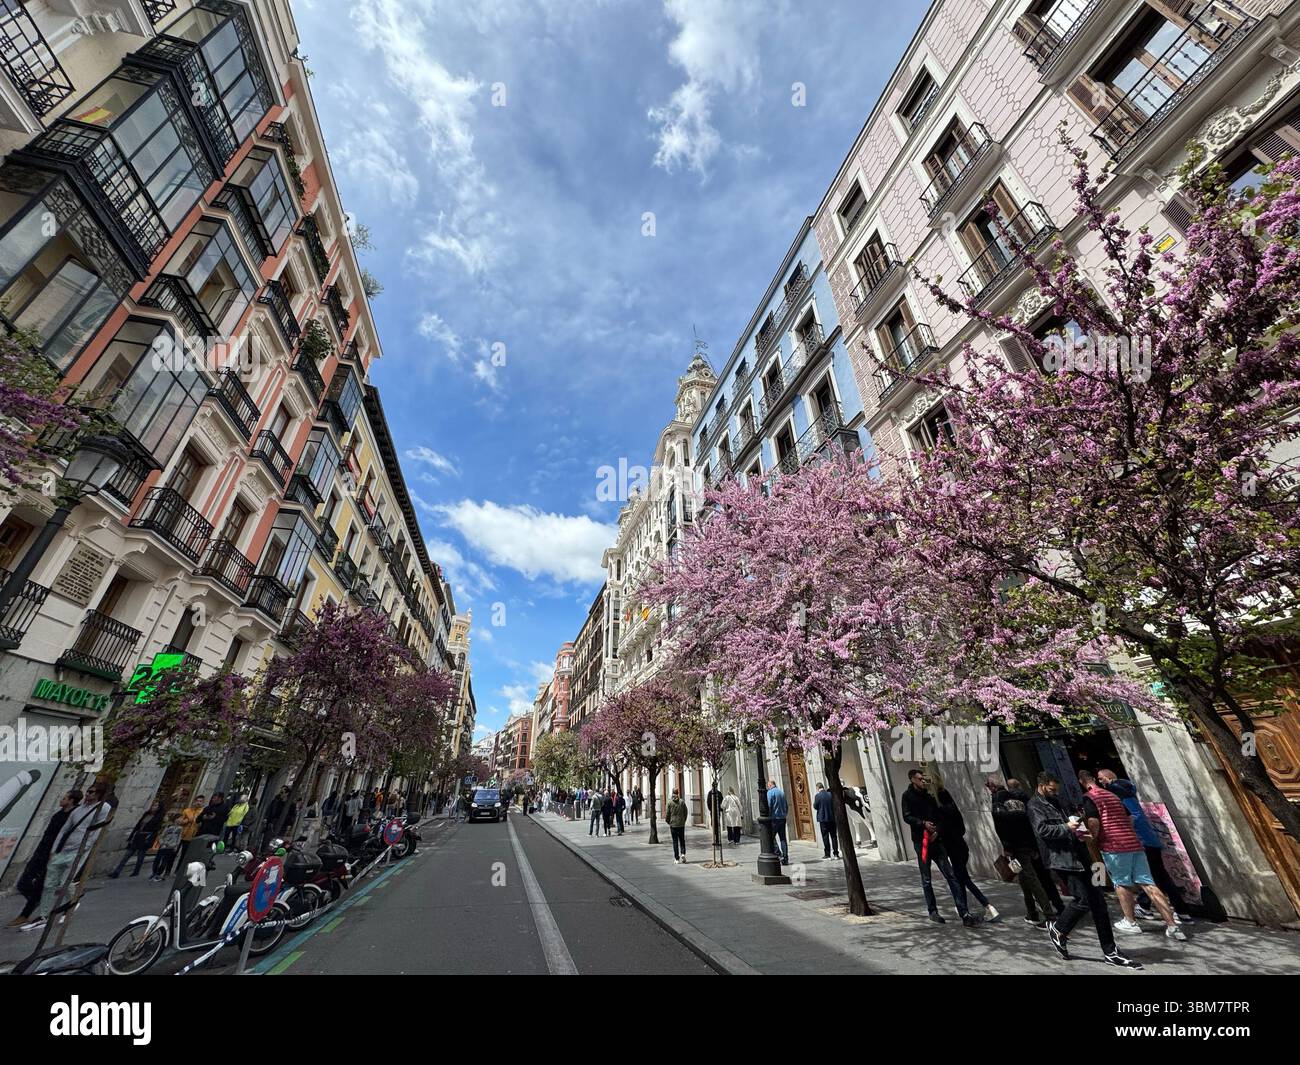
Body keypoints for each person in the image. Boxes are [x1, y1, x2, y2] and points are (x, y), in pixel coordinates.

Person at [1028, 771, 1140, 967]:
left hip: (1083, 855)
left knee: (1099, 901)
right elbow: (1043, 831)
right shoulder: (1035, 805)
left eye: (1057, 790)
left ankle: (1110, 949)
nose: (1055, 793)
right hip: (1062, 860)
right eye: (1052, 789)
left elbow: (1073, 819)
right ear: (1043, 785)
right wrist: (1067, 828)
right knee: (1084, 899)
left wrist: (1081, 830)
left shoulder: (1058, 801)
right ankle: (1059, 928)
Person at [1079, 771, 1185, 942]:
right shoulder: (1113, 795)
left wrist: (1093, 837)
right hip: (1134, 843)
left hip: (1114, 846)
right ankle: (1172, 924)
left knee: (1122, 883)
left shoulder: (1090, 797)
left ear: (1082, 782)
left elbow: (1093, 822)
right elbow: (1130, 818)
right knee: (1148, 883)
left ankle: (1130, 921)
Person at [1097, 769, 1191, 922]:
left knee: (1146, 876)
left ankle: (1149, 907)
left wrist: (1110, 785)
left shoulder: (1117, 791)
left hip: (1139, 841)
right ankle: (1169, 909)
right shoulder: (1130, 792)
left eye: (1101, 779)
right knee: (1156, 875)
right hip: (1150, 839)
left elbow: (1129, 816)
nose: (1101, 783)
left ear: (1109, 777)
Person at [24, 783, 113, 931]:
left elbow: (96, 831)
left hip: (77, 851)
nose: (88, 794)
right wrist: (54, 849)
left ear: (99, 794)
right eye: (88, 791)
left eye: (91, 792)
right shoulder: (78, 810)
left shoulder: (103, 808)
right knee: (49, 883)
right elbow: (64, 829)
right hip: (63, 850)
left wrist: (84, 848)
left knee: (65, 881)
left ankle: (72, 902)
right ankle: (43, 916)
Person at [900, 769, 977, 926]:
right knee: (926, 878)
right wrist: (922, 823)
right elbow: (906, 816)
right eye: (919, 779)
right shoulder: (907, 797)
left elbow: (940, 816)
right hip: (921, 842)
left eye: (923, 778)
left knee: (950, 875)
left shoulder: (929, 796)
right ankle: (932, 910)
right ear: (912, 779)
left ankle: (963, 912)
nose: (923, 781)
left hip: (936, 840)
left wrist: (938, 830)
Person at [990, 777, 1060, 927]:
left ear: (992, 787)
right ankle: (1032, 913)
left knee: (1032, 880)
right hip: (1029, 844)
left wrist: (1007, 846)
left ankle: (1049, 915)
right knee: (1025, 879)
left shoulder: (998, 802)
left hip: (1018, 847)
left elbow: (1001, 826)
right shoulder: (1021, 800)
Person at [7, 789, 78, 929]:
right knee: (23, 882)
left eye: (64, 798)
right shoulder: (59, 814)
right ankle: (37, 901)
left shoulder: (72, 816)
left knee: (41, 884)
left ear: (71, 800)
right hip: (42, 851)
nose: (61, 800)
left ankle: (25, 914)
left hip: (55, 854)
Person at [936, 788, 1000, 922]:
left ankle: (987, 905)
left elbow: (941, 831)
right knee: (961, 878)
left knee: (964, 879)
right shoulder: (955, 810)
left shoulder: (942, 812)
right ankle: (964, 910)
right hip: (962, 847)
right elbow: (963, 829)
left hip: (953, 850)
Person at [109, 797, 163, 879]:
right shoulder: (146, 814)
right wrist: (132, 835)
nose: (153, 807)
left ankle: (136, 871)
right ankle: (117, 872)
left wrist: (149, 840)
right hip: (138, 836)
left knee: (140, 857)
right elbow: (138, 825)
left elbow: (156, 830)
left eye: (155, 805)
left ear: (159, 808)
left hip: (145, 838)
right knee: (127, 855)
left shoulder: (158, 818)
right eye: (153, 805)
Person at [150, 814, 184, 881]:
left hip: (171, 847)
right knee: (157, 860)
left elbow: (179, 837)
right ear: (175, 818)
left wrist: (176, 846)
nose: (180, 820)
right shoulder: (168, 827)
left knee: (164, 861)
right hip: (164, 846)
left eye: (182, 818)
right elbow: (162, 835)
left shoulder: (180, 828)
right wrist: (162, 843)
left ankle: (158, 874)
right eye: (179, 818)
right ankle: (154, 873)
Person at [766, 779, 790, 865]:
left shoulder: (770, 793)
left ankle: (778, 854)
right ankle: (785, 857)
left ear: (770, 785)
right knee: (783, 838)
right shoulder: (781, 792)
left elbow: (769, 806)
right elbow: (786, 806)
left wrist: (768, 816)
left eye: (768, 786)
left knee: (770, 838)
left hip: (774, 819)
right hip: (782, 818)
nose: (768, 787)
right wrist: (784, 814)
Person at [813, 782, 839, 860]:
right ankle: (836, 854)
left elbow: (815, 806)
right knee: (834, 836)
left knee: (825, 837)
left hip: (823, 819)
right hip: (832, 818)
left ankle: (827, 854)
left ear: (817, 788)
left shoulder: (817, 796)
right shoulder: (830, 794)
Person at [178, 794, 203, 865]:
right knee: (173, 853)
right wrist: (186, 820)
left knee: (184, 854)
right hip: (182, 834)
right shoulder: (187, 811)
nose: (198, 803)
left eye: (200, 801)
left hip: (192, 836)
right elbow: (179, 821)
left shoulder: (202, 812)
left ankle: (179, 869)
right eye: (197, 801)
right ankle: (167, 870)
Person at [666, 789, 690, 864]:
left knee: (675, 841)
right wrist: (684, 820)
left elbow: (667, 814)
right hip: (681, 824)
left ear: (672, 793)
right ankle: (683, 853)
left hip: (673, 825)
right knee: (682, 840)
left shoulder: (670, 802)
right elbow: (686, 812)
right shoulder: (682, 802)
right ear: (678, 793)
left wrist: (668, 821)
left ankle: (677, 858)